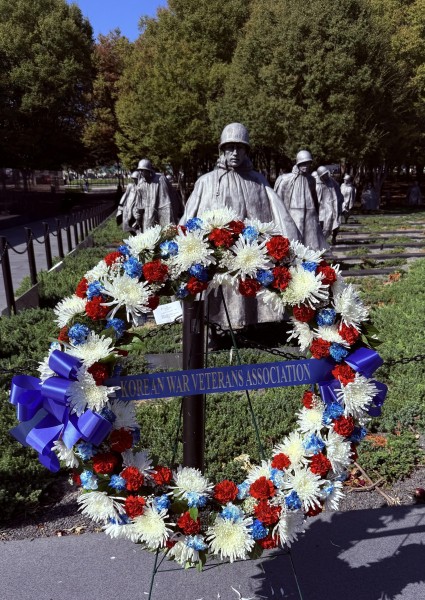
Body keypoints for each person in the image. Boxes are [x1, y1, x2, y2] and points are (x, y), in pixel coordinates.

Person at [180, 122, 301, 332]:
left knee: (249, 285)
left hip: (249, 251)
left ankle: (252, 325)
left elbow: (279, 214)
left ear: (246, 151)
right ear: (222, 150)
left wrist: (292, 244)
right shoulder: (206, 182)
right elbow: (190, 215)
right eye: (230, 147)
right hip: (216, 252)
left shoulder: (257, 181)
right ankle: (212, 328)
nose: (235, 152)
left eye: (240, 148)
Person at [274, 150, 328, 250]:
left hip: (309, 215)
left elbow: (314, 198)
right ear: (298, 163)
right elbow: (278, 199)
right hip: (293, 214)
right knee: (294, 241)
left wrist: (317, 215)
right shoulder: (286, 179)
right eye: (303, 163)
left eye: (308, 163)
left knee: (310, 243)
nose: (306, 166)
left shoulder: (311, 179)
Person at [131, 159, 178, 232]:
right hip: (148, 216)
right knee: (149, 238)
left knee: (166, 235)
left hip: (163, 214)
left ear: (149, 170)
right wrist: (138, 219)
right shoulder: (141, 184)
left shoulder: (160, 179)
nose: (140, 172)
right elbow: (139, 205)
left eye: (143, 170)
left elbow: (168, 201)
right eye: (139, 170)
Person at [316, 166, 344, 245]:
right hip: (321, 209)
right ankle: (321, 241)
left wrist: (340, 203)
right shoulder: (317, 184)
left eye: (326, 174)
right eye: (323, 175)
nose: (325, 176)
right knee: (322, 226)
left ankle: (334, 237)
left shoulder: (332, 182)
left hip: (333, 207)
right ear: (320, 176)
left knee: (336, 224)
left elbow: (338, 193)